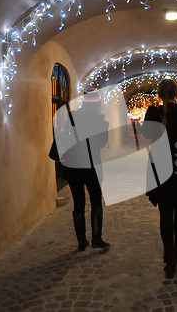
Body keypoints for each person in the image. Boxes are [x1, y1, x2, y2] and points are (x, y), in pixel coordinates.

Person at [144, 79, 177, 278]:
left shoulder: (152, 112)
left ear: (159, 94)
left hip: (160, 167)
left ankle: (169, 257)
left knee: (165, 214)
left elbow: (147, 135)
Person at [50, 89, 110, 251]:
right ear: (97, 103)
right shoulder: (101, 121)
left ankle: (81, 240)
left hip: (73, 165)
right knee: (96, 202)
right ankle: (96, 238)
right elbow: (101, 144)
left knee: (78, 204)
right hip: (91, 166)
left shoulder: (72, 116)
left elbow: (66, 136)